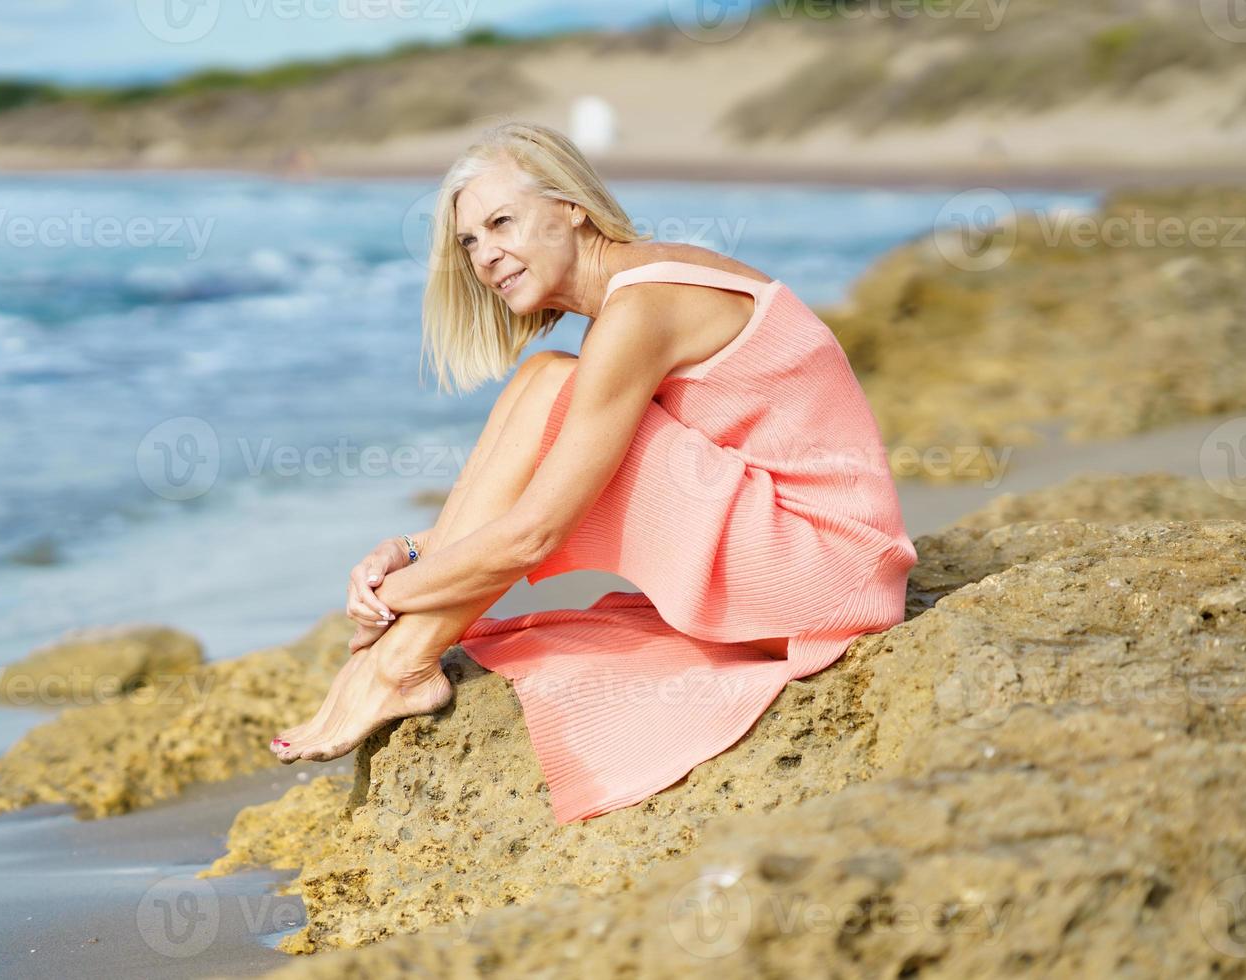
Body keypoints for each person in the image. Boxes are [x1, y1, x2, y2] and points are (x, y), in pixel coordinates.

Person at [271, 120, 916, 824]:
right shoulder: (632, 300)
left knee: (551, 387)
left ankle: (398, 666)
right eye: (470, 241)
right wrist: (415, 552)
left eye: (502, 223)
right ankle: (401, 656)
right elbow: (554, 491)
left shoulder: (641, 311)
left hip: (825, 575)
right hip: (825, 565)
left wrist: (393, 606)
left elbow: (534, 535)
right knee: (547, 379)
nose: (486, 255)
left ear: (570, 207)